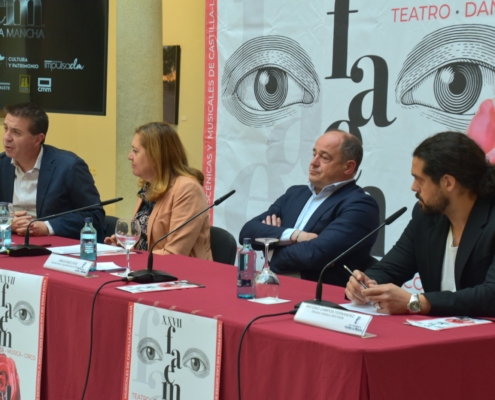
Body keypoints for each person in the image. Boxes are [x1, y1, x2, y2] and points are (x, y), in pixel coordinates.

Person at [346, 131, 495, 317]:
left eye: (420, 179)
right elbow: (391, 268)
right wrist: (366, 283)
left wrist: (415, 302)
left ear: (448, 183)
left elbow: (491, 295)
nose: (413, 187)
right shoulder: (426, 218)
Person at [239, 129, 380, 286]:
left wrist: (271, 251)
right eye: (314, 154)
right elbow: (248, 233)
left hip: (317, 294)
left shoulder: (361, 206)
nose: (313, 162)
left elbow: (315, 254)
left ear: (348, 167)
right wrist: (295, 236)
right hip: (274, 282)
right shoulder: (295, 194)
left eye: (324, 157)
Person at [105, 122, 212, 259]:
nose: (129, 156)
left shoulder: (188, 190)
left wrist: (132, 254)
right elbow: (146, 241)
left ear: (155, 156)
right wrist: (125, 246)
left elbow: (174, 254)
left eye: (135, 151)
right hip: (148, 270)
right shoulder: (149, 186)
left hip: (182, 276)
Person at [0, 102, 104, 240]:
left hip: (55, 249)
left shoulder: (69, 167)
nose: (6, 137)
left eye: (16, 132)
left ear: (38, 139)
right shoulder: (2, 164)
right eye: (6, 128)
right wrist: (7, 222)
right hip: (11, 245)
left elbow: (94, 214)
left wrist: (48, 227)